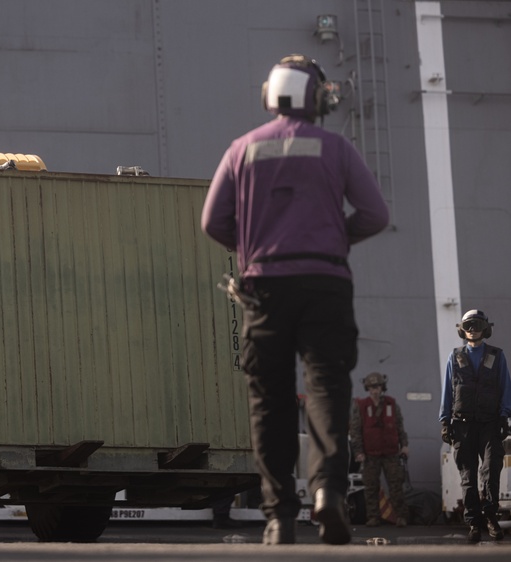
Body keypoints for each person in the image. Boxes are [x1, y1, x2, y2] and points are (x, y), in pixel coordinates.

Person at [201, 54, 390, 545]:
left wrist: (253, 248)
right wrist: (333, 238)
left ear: (270, 95)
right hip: (325, 283)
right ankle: (328, 494)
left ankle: (279, 516)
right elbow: (373, 214)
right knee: (326, 388)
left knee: (270, 400)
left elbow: (212, 222)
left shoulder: (241, 149)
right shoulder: (336, 148)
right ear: (319, 98)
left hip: (265, 286)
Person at [439, 309, 511, 543]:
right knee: (467, 477)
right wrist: (445, 420)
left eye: (478, 324)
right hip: (462, 425)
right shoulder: (455, 356)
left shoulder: (496, 356)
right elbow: (447, 392)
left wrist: (504, 417)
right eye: (469, 325)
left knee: (491, 471)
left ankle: (490, 517)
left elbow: (505, 388)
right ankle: (473, 523)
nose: (473, 329)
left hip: (490, 424)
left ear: (485, 327)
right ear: (463, 329)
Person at [349, 372, 409, 528]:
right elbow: (355, 430)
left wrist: (404, 445)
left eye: (377, 387)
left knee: (396, 485)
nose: (375, 391)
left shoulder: (391, 404)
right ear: (367, 389)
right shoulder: (361, 406)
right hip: (370, 454)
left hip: (391, 453)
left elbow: (399, 426)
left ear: (382, 388)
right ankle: (373, 517)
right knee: (370, 487)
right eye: (371, 388)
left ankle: (401, 516)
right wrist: (358, 452)